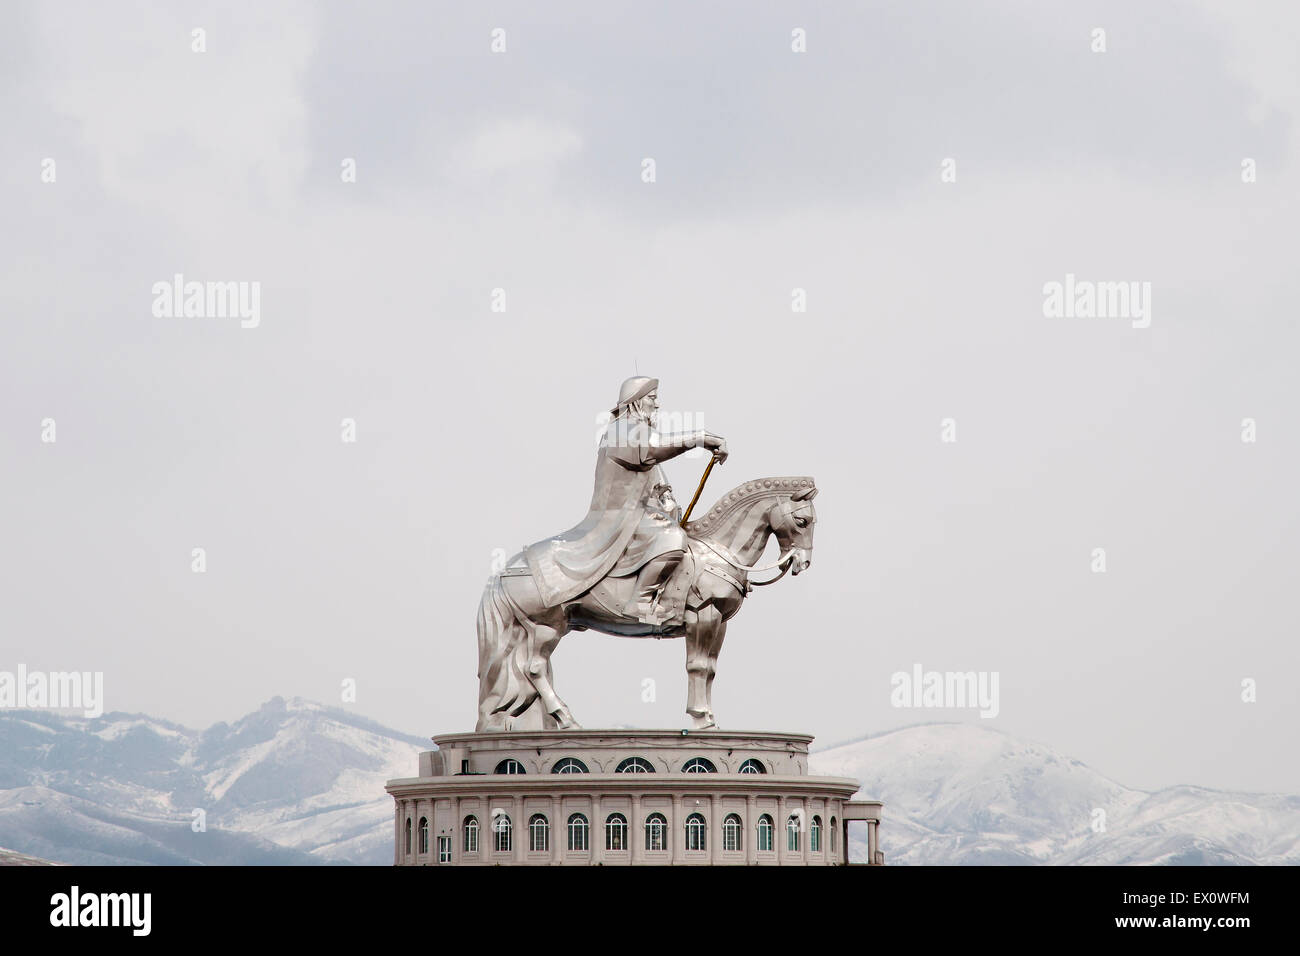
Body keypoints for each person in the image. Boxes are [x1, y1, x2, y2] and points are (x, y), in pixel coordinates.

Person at [523, 376, 727, 624]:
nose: (657, 405)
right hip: (620, 518)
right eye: (652, 398)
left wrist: (667, 500)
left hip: (638, 514)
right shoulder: (622, 431)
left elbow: (656, 480)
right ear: (636, 402)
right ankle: (639, 602)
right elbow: (654, 449)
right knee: (673, 538)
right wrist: (702, 438)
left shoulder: (638, 433)